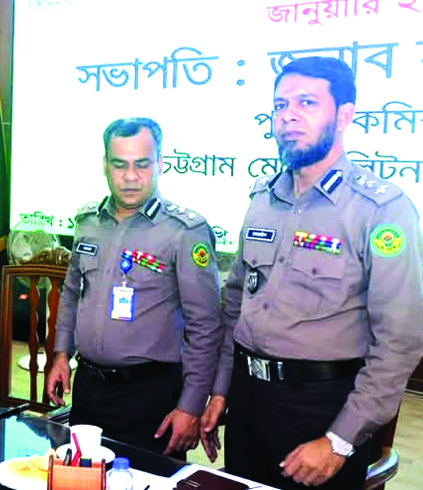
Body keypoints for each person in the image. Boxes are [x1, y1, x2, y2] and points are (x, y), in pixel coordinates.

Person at [201, 57, 423, 490]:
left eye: (306, 103)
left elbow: (399, 342)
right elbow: (234, 307)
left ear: (344, 115)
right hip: (248, 399)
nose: (288, 116)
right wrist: (221, 390)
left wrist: (339, 441)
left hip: (321, 409)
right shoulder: (262, 199)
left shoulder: (381, 209)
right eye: (280, 105)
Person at [44, 117, 222, 458]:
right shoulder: (88, 223)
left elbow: (206, 326)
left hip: (149, 396)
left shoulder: (184, 231)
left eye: (142, 164)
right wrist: (62, 354)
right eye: (119, 164)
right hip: (88, 388)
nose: (130, 176)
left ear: (160, 164)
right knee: (82, 476)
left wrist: (191, 405)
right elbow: (71, 293)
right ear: (104, 165)